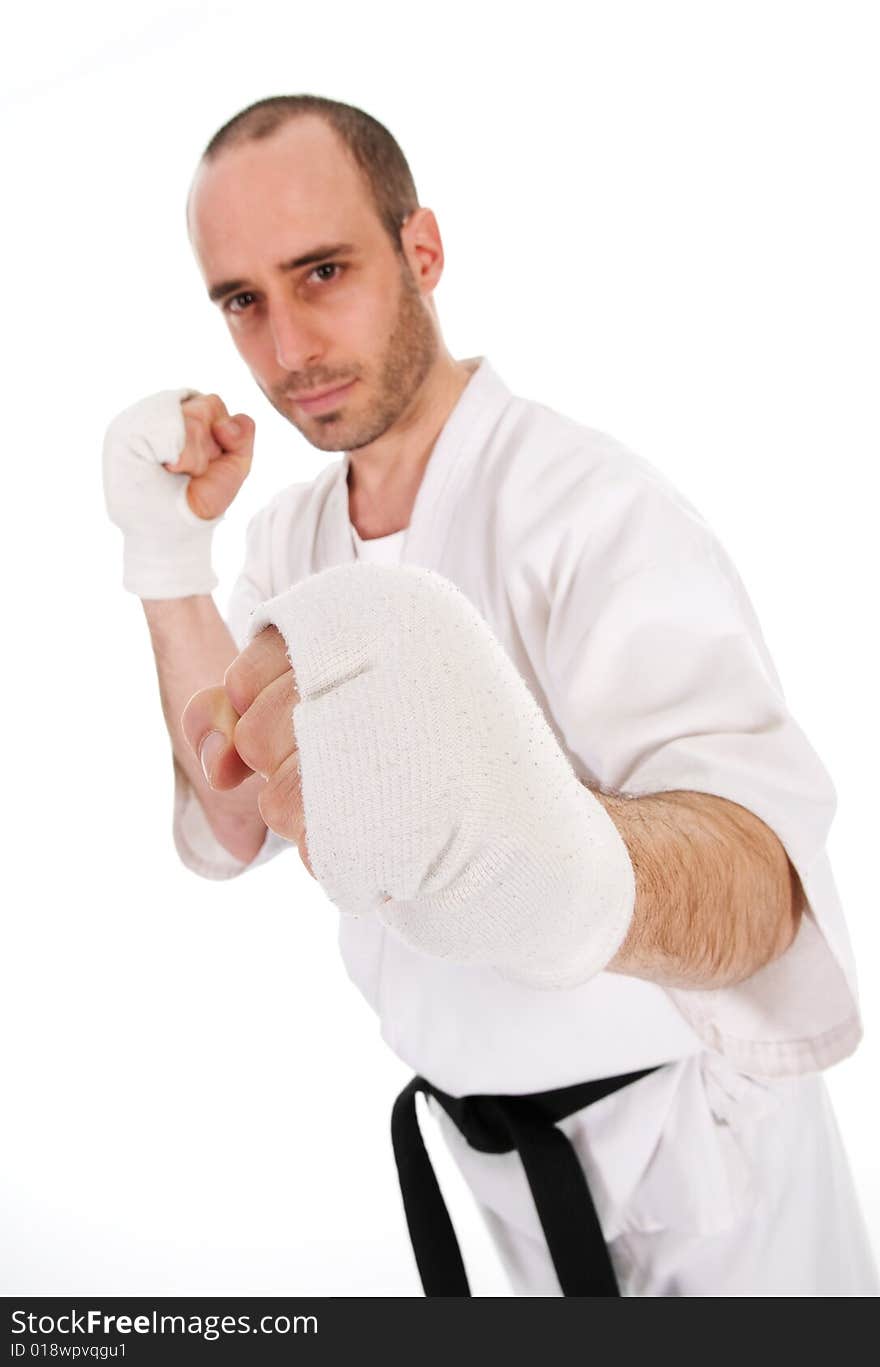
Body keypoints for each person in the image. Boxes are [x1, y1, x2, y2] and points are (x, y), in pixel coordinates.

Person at [101, 94, 878, 1296]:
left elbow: (765, 884)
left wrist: (561, 863)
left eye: (322, 270)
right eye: (242, 300)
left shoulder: (592, 509)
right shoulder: (292, 541)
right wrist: (165, 561)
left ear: (422, 252)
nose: (287, 346)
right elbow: (231, 818)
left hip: (708, 1165)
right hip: (497, 1163)